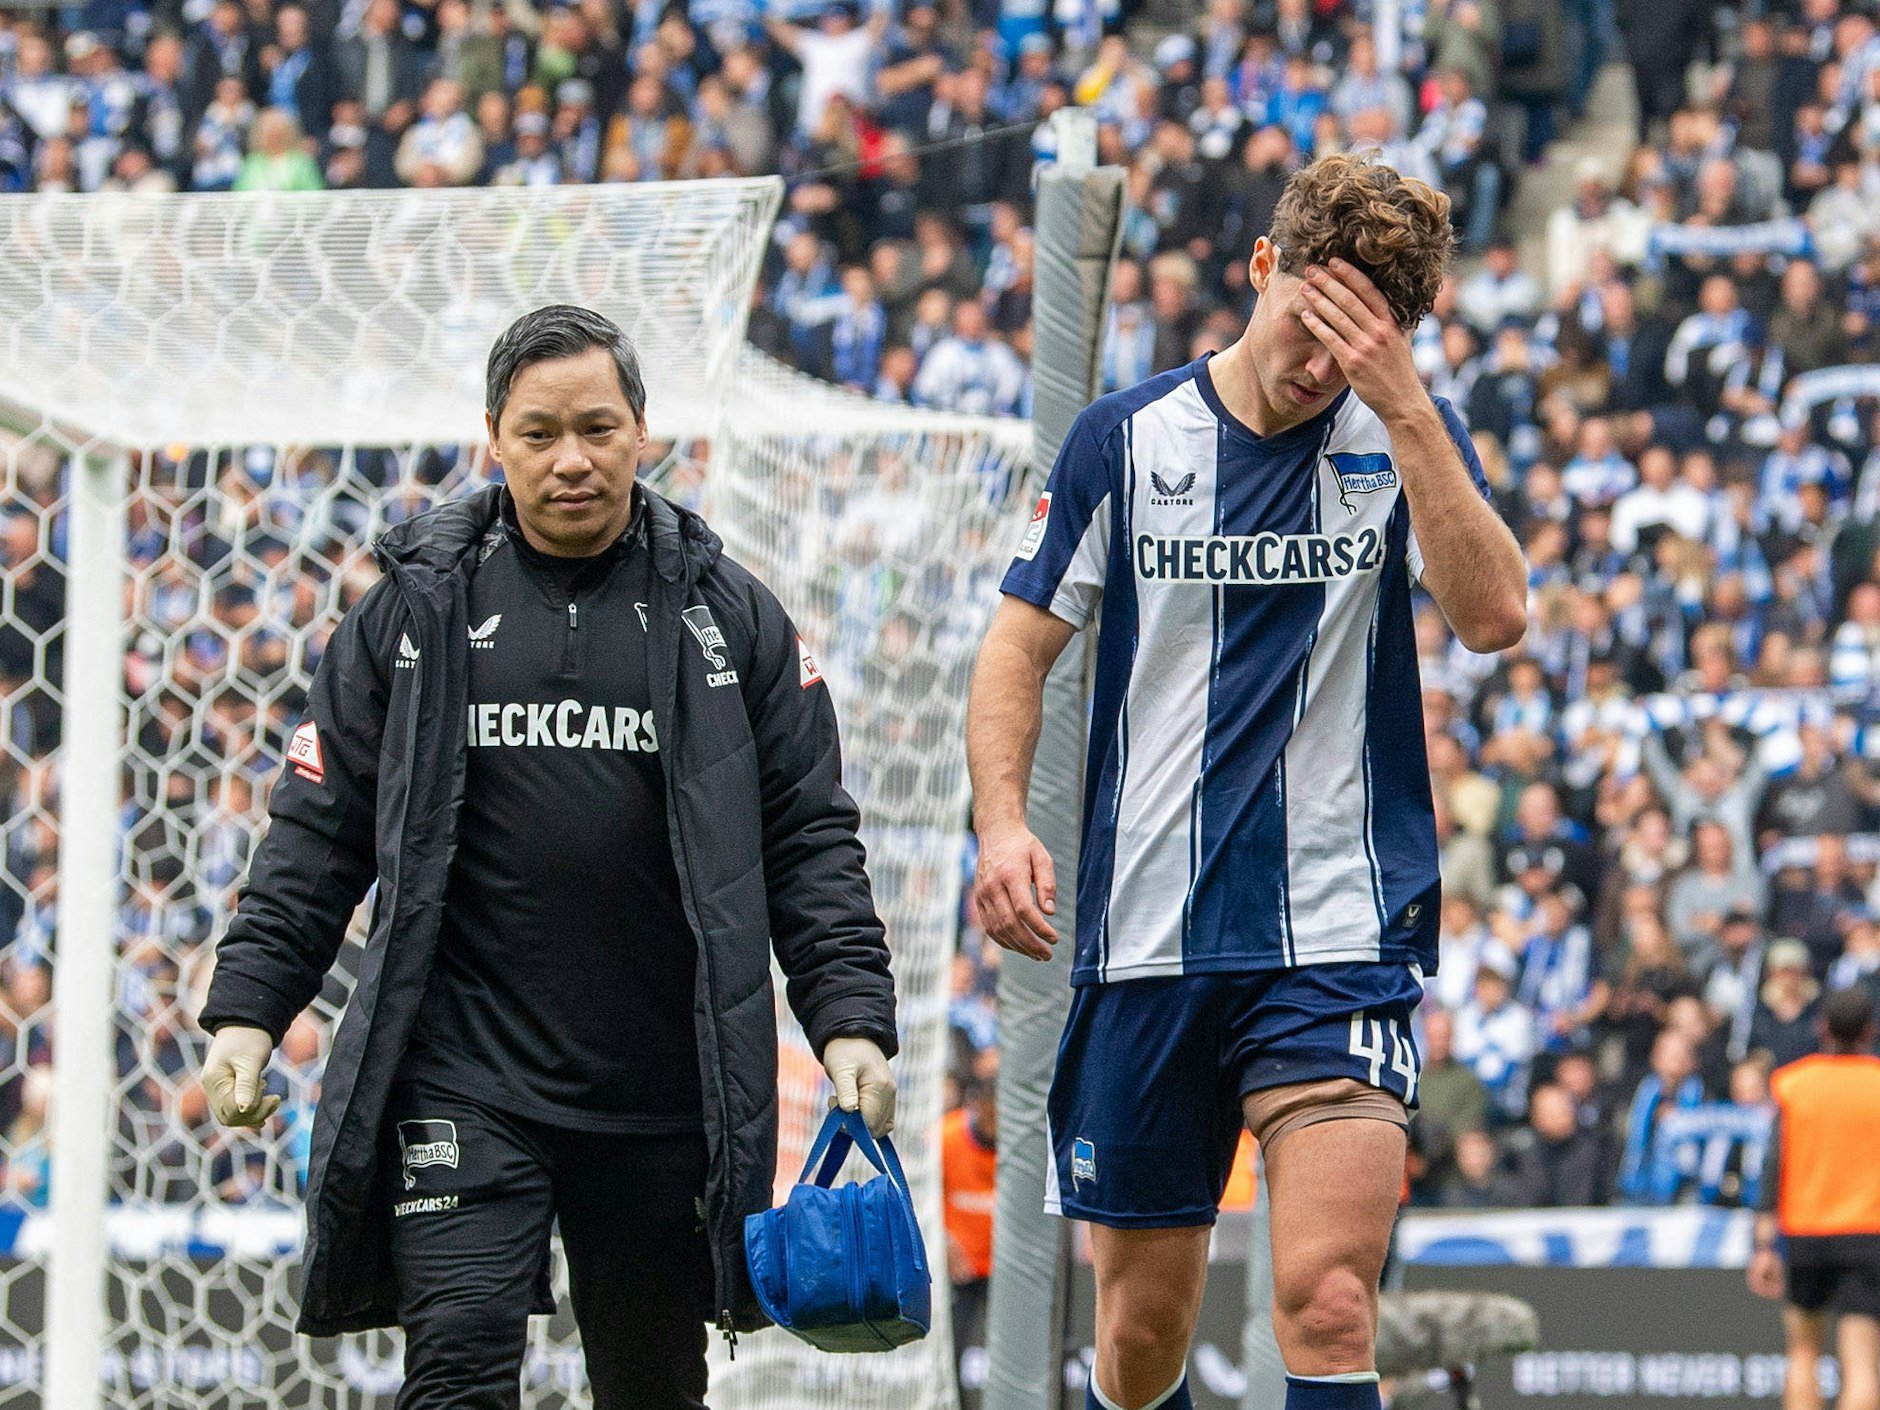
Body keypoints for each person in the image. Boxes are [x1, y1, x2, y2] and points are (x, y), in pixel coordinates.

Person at [197, 305, 899, 1409]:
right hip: (464, 1081)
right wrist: (250, 1004)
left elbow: (807, 834)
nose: (570, 458)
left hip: (667, 1096)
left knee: (653, 1392)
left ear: (640, 430)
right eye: (538, 433)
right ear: (493, 438)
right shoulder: (414, 614)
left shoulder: (733, 621)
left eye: (596, 428)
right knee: (458, 1371)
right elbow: (318, 827)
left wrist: (849, 1014)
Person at [966, 153, 1526, 1410]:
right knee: (1140, 1339)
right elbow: (1016, 642)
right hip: (1148, 937)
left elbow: (1494, 615)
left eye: (1356, 343)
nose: (1320, 364)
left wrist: (1410, 406)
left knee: (1328, 1302)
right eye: (1307, 323)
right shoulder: (1124, 438)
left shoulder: (1395, 442)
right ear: (1260, 268)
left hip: (1333, 930)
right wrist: (1001, 825)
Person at [1750, 989, 1880, 1410]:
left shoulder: (1794, 1083)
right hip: (1867, 1232)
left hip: (1806, 1232)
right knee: (1861, 1363)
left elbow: (1774, 1163)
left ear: (1822, 1027)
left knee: (1803, 1352)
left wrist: (1764, 1242)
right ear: (1869, 1031)